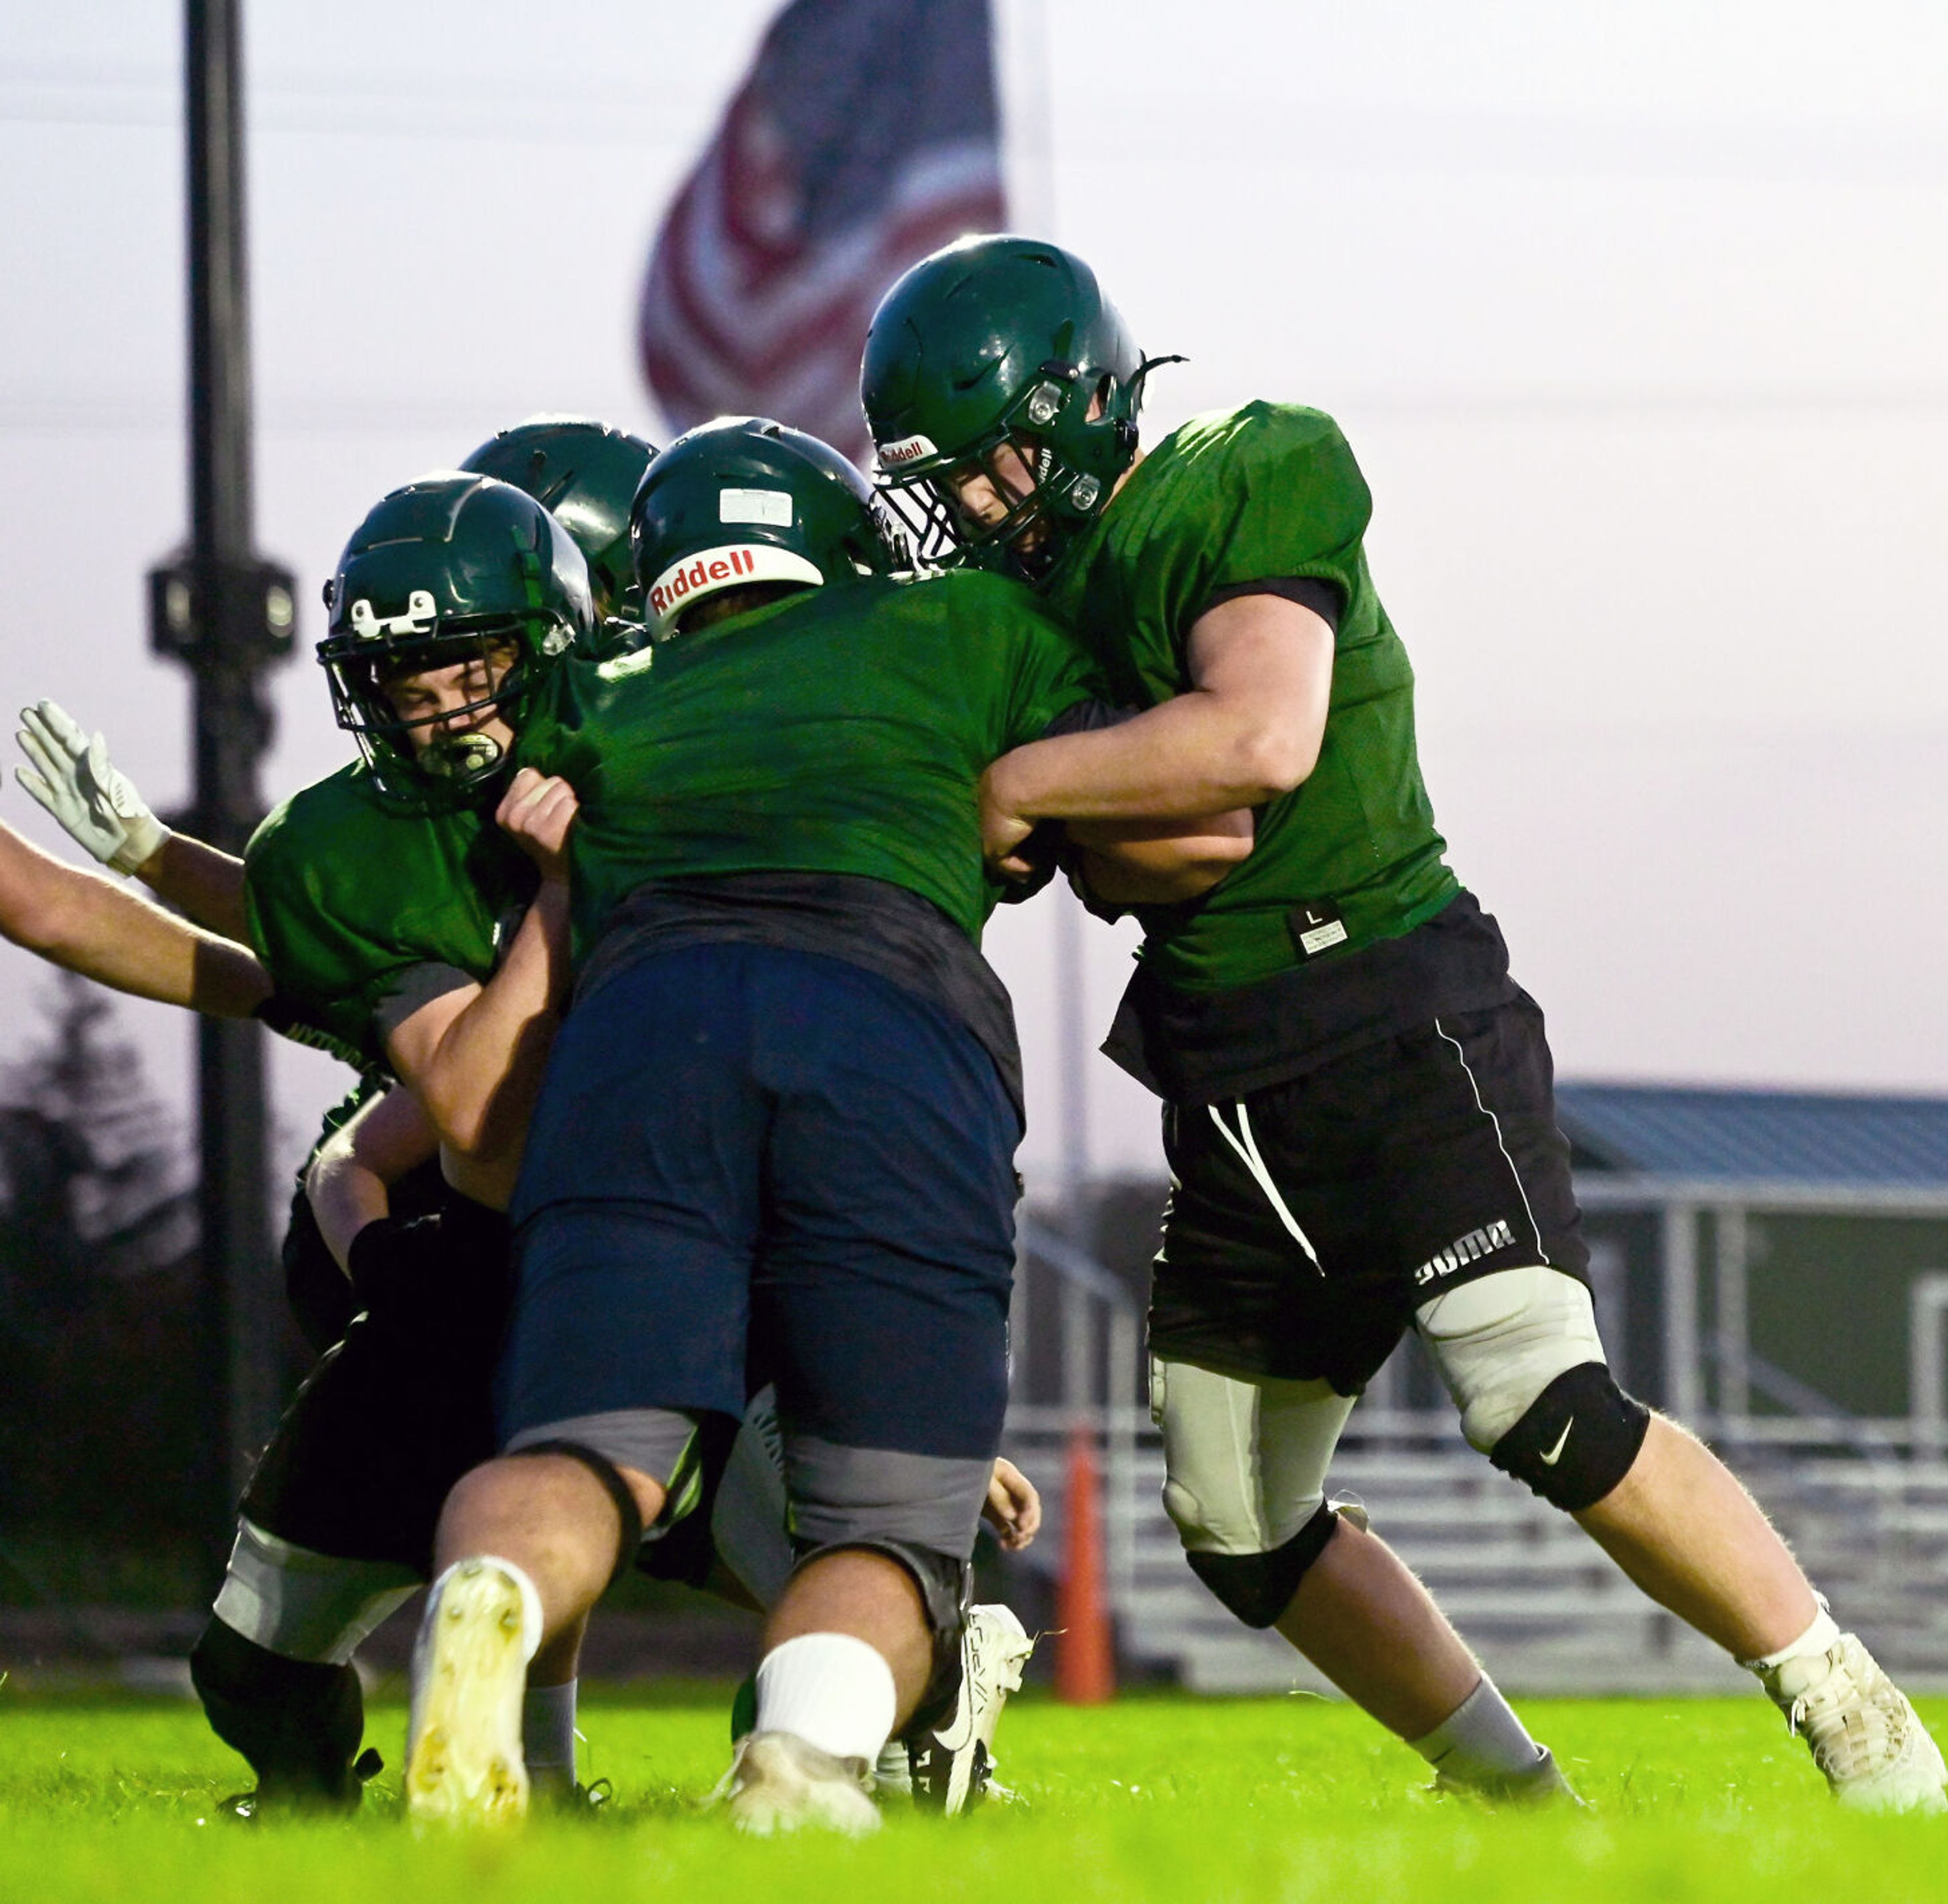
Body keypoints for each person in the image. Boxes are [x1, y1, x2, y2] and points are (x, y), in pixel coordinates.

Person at [860, 233, 1948, 1816]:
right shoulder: (1022, 611)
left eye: (995, 462)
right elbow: (1174, 834)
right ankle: (1513, 1798)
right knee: (1238, 1521)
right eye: (943, 481)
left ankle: (1859, 1717)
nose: (971, 509)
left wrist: (1027, 783)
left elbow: (1255, 742)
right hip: (1226, 1078)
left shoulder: (1245, 470)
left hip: (1387, 1005)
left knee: (1544, 1403)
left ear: (1085, 405)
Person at [404, 416, 1251, 1832]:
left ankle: (487, 1601)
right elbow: (1186, 813)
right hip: (889, 1019)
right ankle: (799, 1755)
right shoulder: (965, 619)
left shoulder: (604, 689)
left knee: (583, 1454)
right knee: (890, 1531)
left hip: (640, 1024)